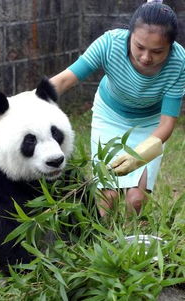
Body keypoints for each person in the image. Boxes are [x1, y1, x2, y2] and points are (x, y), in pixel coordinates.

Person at [50, 0, 185, 216]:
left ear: (170, 46)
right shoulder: (110, 44)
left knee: (136, 200)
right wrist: (29, 101)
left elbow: (167, 124)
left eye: (157, 51)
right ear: (129, 34)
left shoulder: (179, 63)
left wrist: (138, 155)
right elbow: (65, 80)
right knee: (108, 196)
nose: (146, 57)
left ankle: (131, 242)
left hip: (149, 125)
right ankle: (105, 238)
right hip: (110, 116)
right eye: (139, 46)